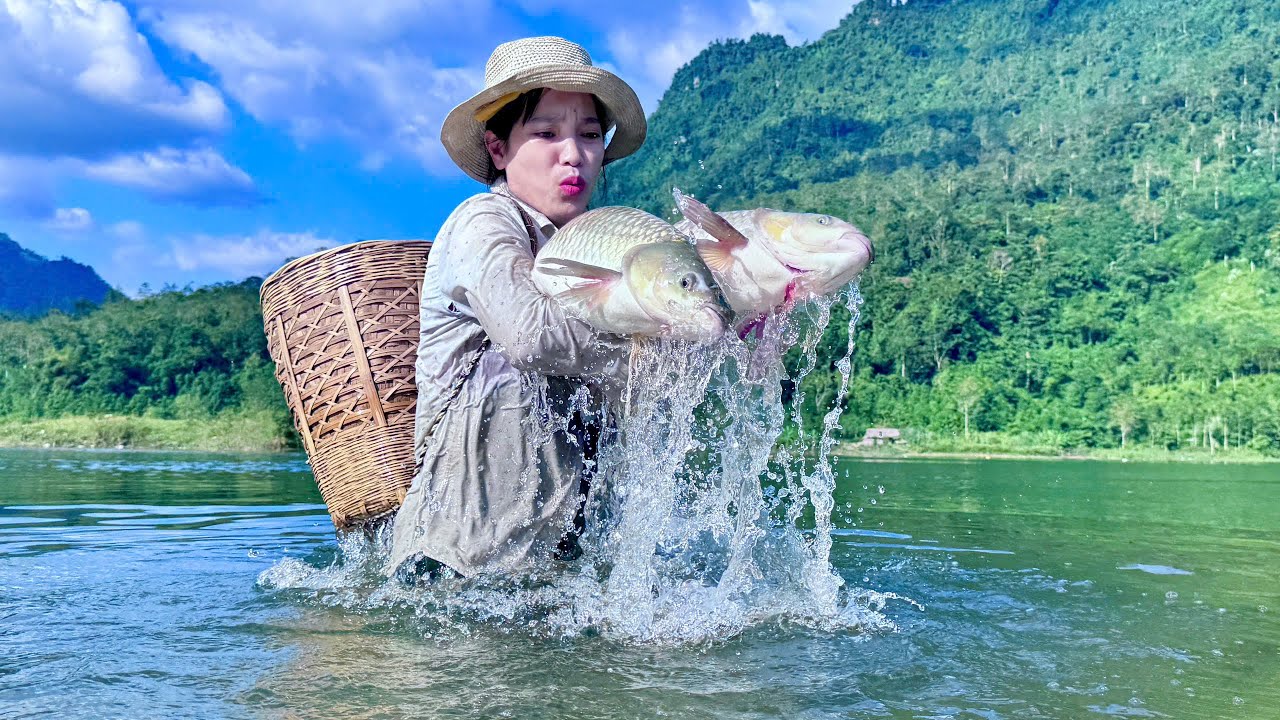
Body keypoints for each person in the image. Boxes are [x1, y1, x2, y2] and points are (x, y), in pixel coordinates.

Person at [386, 36, 648, 578]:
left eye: (590, 135)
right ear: (498, 149)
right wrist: (653, 350)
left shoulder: (600, 250)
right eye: (546, 133)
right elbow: (530, 335)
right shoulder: (482, 221)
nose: (573, 154)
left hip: (559, 569)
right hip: (452, 565)